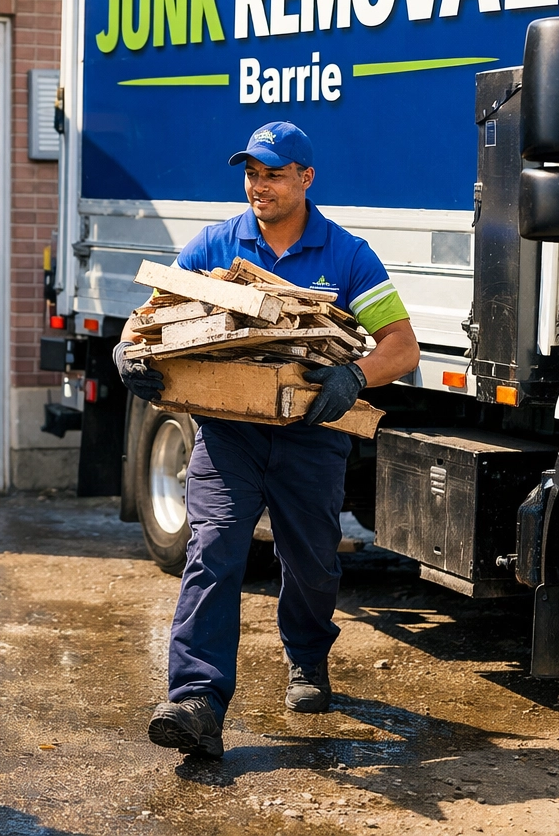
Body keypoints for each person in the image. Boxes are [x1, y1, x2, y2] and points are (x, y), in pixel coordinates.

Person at [115, 121, 421, 760]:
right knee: (213, 551)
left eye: (273, 174)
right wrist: (130, 350)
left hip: (311, 437)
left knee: (311, 564)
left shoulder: (347, 255)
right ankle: (196, 698)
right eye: (252, 173)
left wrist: (354, 376)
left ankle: (307, 656)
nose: (259, 185)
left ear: (306, 178)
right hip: (229, 436)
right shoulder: (216, 245)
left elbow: (402, 346)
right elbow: (151, 319)